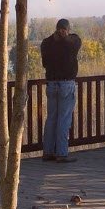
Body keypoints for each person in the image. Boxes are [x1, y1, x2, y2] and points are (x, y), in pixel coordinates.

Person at [40, 18, 82, 163]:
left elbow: (45, 63)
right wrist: (64, 37)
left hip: (51, 84)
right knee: (64, 119)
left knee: (51, 118)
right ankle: (62, 153)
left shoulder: (46, 43)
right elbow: (73, 42)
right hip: (66, 84)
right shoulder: (73, 41)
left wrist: (57, 37)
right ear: (68, 29)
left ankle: (48, 152)